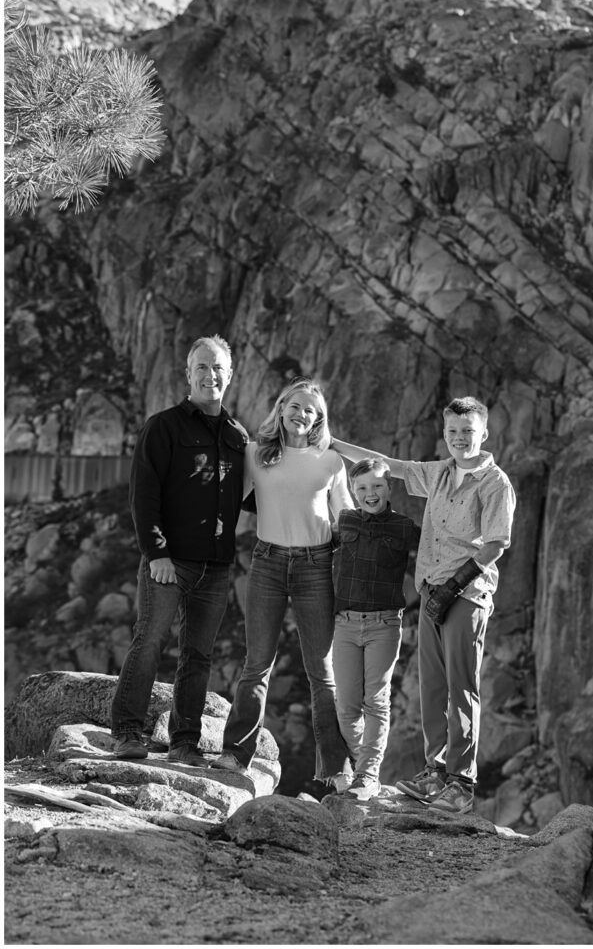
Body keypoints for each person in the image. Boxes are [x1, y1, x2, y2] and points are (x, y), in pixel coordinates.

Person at [332, 396, 516, 815]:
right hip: (433, 591)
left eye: (467, 432)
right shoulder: (438, 473)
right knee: (432, 687)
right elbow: (387, 464)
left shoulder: (494, 483)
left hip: (466, 595)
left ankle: (461, 783)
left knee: (461, 686)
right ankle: (434, 772)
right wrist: (333, 443)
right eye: (452, 431)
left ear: (483, 433)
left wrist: (456, 585)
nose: (458, 439)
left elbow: (496, 543)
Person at [111, 335, 249, 768]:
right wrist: (158, 554)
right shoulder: (163, 426)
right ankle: (128, 731)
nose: (211, 375)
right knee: (150, 639)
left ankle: (184, 741)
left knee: (198, 653)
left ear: (230, 375)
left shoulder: (237, 436)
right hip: (170, 561)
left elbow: (255, 495)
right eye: (202, 368)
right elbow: (144, 496)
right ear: (188, 375)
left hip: (216, 565)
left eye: (218, 368)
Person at [212, 377, 355, 793]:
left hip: (316, 565)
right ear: (281, 408)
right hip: (268, 562)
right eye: (295, 406)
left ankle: (335, 767)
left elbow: (344, 517)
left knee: (321, 671)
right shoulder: (256, 455)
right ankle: (236, 755)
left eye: (310, 410)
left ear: (318, 419)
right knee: (257, 663)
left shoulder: (329, 461)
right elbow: (229, 502)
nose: (301, 414)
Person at [332, 458, 420, 800]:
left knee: (376, 703)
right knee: (347, 706)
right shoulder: (346, 520)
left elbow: (434, 550)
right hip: (345, 624)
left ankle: (368, 775)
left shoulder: (404, 526)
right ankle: (360, 763)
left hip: (385, 624)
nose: (371, 493)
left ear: (390, 488)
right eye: (363, 488)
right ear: (353, 491)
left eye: (378, 486)